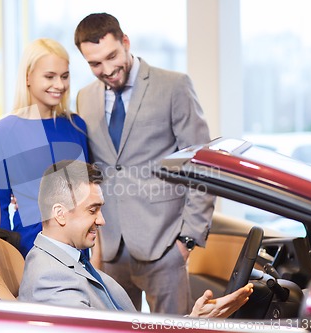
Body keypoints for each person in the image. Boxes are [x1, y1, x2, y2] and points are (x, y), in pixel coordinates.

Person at [73, 13, 215, 314]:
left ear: (126, 42)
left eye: (112, 56)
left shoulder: (174, 85)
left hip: (164, 245)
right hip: (110, 247)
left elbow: (203, 164)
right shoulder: (84, 98)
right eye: (95, 63)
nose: (107, 69)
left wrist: (186, 240)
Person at [18, 160, 253, 317]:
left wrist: (192, 320)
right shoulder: (50, 278)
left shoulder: (68, 258)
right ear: (60, 214)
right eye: (92, 210)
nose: (102, 221)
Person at [0, 38, 89, 258]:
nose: (59, 85)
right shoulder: (3, 132)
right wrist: (7, 263)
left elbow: (90, 194)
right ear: (28, 77)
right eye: (49, 76)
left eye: (64, 76)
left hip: (79, 252)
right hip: (29, 250)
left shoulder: (76, 126)